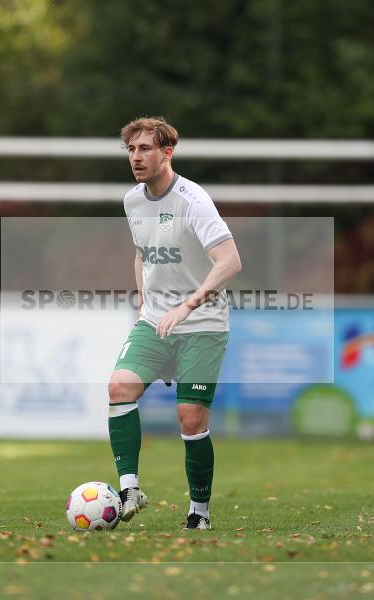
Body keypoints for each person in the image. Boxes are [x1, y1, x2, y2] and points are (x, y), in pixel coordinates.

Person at [108, 116, 242, 531]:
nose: (136, 157)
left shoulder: (193, 200)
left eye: (145, 149)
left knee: (190, 417)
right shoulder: (132, 201)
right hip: (155, 321)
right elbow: (141, 253)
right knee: (119, 387)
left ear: (167, 153)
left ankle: (199, 513)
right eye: (131, 149)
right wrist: (143, 302)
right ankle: (130, 490)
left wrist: (187, 306)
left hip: (202, 322)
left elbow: (230, 262)